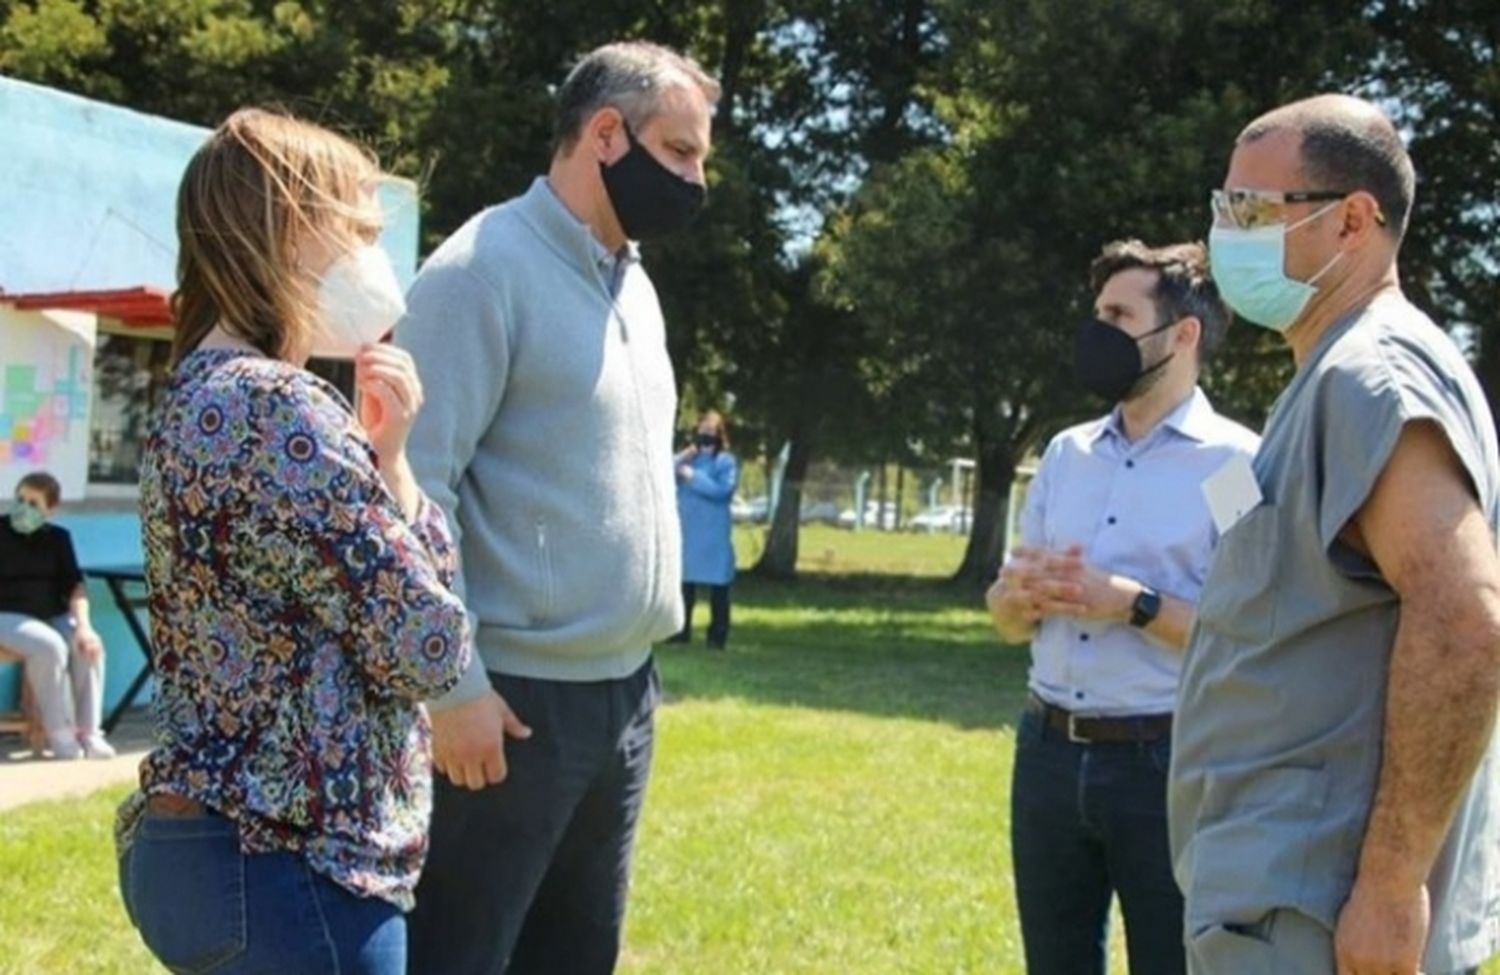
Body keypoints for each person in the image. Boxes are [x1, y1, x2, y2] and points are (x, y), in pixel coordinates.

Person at [113, 108, 471, 975]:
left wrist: (382, 457)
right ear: (287, 233)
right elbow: (430, 645)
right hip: (297, 861)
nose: (372, 258)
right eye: (356, 229)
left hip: (203, 846)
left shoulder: (197, 393)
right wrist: (403, 477)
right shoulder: (284, 409)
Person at [397, 41, 717, 974]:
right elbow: (412, 489)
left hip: (623, 697)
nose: (698, 179)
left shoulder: (638, 284)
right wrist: (451, 687)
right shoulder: (476, 273)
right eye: (683, 151)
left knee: (577, 957)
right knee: (462, 955)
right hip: (508, 705)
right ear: (606, 134)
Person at [1170, 94, 1500, 975]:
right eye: (1219, 206)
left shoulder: (1371, 375)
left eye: (1249, 210)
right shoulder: (1326, 376)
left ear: (1352, 219)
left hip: (1322, 920)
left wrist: (1393, 886)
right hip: (1283, 906)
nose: (1222, 235)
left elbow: (1466, 620)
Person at [985, 239, 1259, 975]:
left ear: (1183, 333)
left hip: (1164, 763)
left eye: (1118, 313)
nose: (1096, 330)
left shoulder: (1240, 466)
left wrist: (1130, 602)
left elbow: (1248, 635)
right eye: (1095, 312)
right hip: (1044, 752)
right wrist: (1013, 600)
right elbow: (1008, 618)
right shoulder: (1065, 454)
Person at [0, 470, 114, 760]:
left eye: (34, 503)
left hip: (51, 614)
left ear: (51, 509)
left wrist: (84, 627)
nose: (24, 508)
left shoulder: (58, 539)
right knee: (49, 645)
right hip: (7, 615)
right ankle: (60, 734)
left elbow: (75, 588)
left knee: (87, 646)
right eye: (20, 499)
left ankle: (90, 733)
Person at [670, 410, 739, 649]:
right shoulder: (689, 459)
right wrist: (681, 458)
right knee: (683, 587)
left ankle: (717, 638)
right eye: (702, 433)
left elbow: (722, 491)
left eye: (710, 434)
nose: (706, 438)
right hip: (687, 533)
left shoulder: (725, 462)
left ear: (720, 436)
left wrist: (693, 477)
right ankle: (680, 633)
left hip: (714, 536)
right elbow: (663, 474)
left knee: (719, 590)